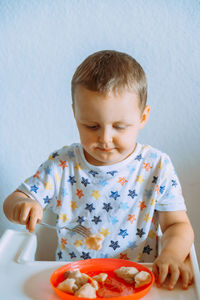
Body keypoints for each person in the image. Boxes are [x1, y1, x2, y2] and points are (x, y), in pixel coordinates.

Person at [3, 50, 194, 290]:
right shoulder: (62, 164)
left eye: (119, 127)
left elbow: (177, 226)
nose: (105, 138)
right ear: (75, 114)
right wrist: (22, 205)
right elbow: (14, 200)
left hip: (138, 284)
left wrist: (172, 255)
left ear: (143, 117)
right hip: (75, 285)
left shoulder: (157, 167)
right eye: (91, 126)